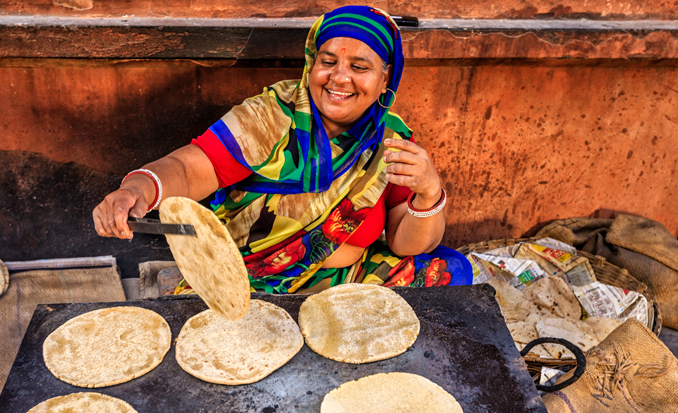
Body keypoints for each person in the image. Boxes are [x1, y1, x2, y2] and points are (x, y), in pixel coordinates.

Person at [94, 5, 472, 293]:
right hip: (253, 278)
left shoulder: (391, 139)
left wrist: (429, 192)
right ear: (311, 63)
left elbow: (407, 244)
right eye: (328, 62)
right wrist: (136, 190)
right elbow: (190, 169)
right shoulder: (270, 116)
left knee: (449, 273)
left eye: (360, 66)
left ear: (385, 76)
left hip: (345, 280)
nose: (339, 78)